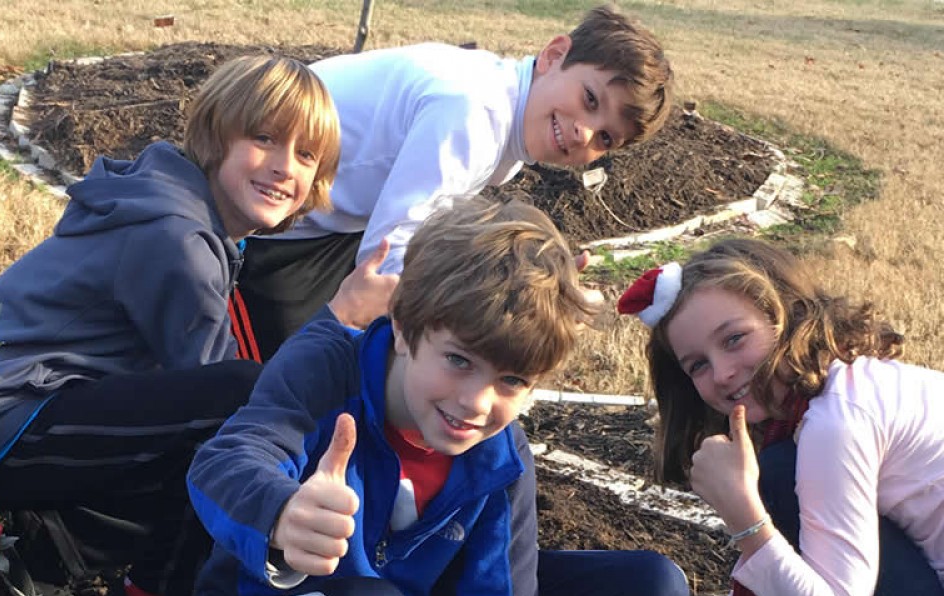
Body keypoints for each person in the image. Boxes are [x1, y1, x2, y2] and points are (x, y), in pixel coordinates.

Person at [187, 198, 690, 596]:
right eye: (458, 360)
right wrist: (280, 513)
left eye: (513, 380)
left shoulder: (500, 452)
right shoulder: (328, 370)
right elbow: (227, 459)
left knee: (651, 588)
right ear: (404, 328)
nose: (476, 402)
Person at [0, 54, 341, 596]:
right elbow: (233, 409)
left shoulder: (183, 213)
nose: (283, 166)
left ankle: (46, 547)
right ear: (214, 136)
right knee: (235, 405)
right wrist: (342, 325)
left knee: (218, 402)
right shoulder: (176, 239)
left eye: (305, 155)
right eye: (263, 138)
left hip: (10, 409)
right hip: (3, 420)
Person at [613, 238, 944, 596]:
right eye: (696, 364)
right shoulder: (847, 386)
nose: (721, 373)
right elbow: (808, 559)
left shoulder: (837, 424)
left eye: (734, 339)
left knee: (779, 477)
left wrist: (746, 518)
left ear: (785, 315)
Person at [230, 3, 674, 360]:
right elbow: (387, 256)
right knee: (291, 376)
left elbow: (429, 233)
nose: (583, 132)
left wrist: (521, 282)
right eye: (590, 99)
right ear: (554, 56)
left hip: (321, 219)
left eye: (605, 138)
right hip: (256, 220)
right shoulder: (476, 113)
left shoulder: (504, 108)